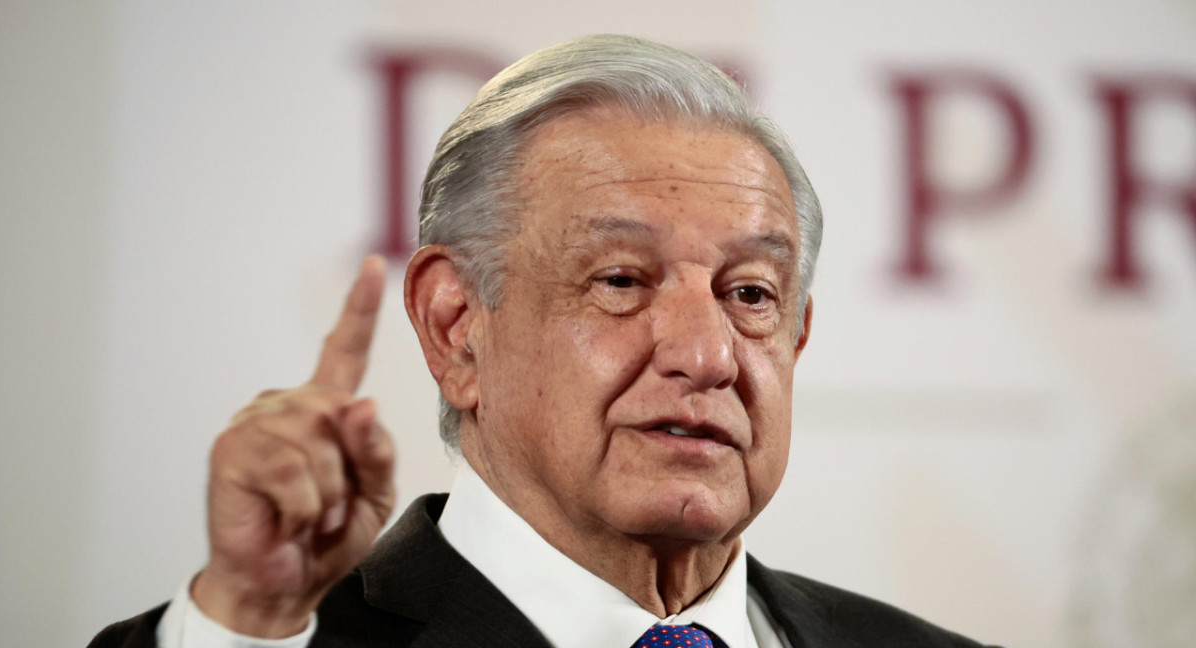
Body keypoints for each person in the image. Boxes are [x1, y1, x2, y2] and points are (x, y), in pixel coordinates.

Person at [91, 34, 998, 648]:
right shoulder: (276, 636)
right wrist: (250, 616)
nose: (708, 354)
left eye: (749, 294)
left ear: (796, 338)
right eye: (620, 281)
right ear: (456, 327)